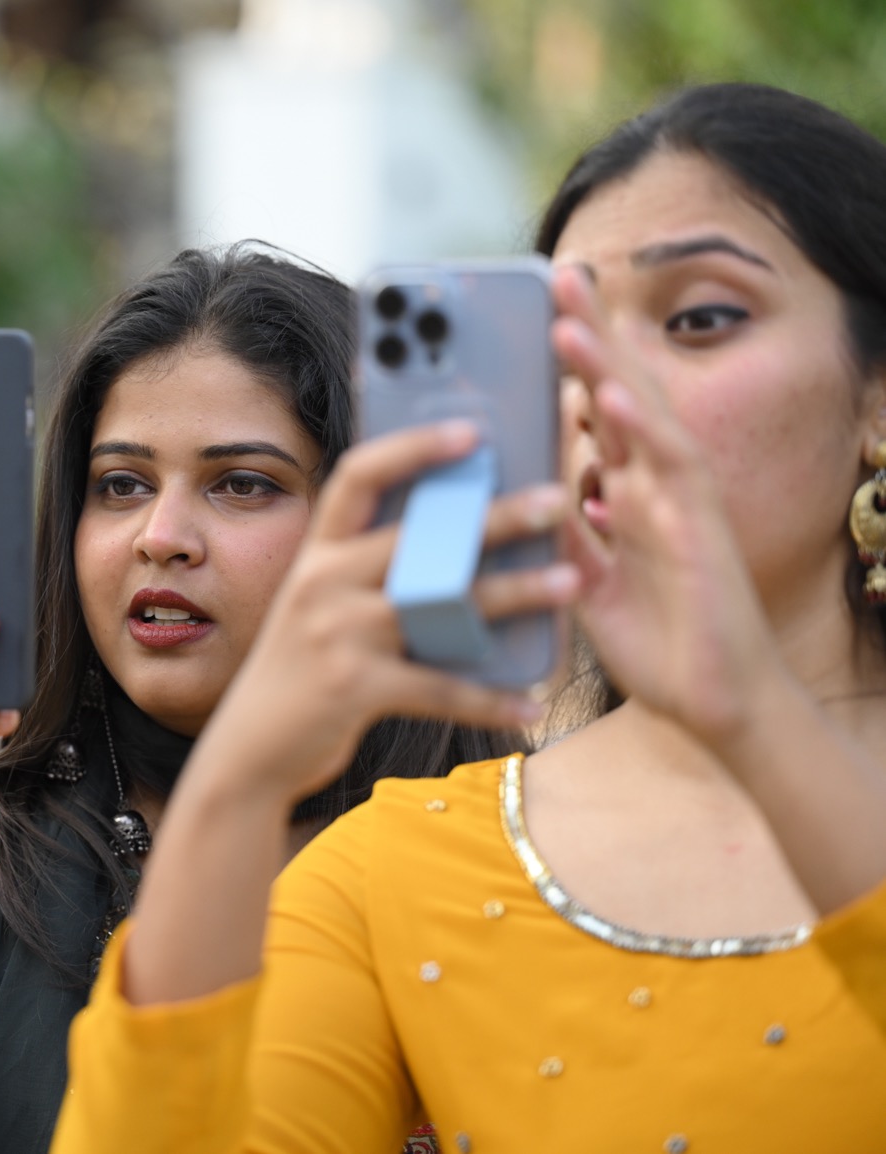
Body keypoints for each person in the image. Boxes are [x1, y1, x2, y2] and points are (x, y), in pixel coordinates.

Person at [51, 82, 886, 1153]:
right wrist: (238, 786)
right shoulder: (397, 868)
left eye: (699, 318)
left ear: (875, 390)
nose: (604, 386)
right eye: (564, 340)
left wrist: (758, 719)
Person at [0, 244, 568, 1153]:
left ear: (377, 520)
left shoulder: (528, 850)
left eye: (241, 484)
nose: (160, 537)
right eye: (120, 485)